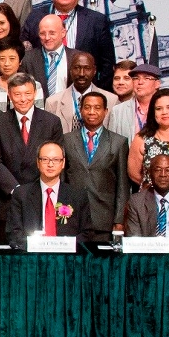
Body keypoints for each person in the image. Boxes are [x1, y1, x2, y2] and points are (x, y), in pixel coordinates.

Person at [0, 73, 65, 244]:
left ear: (35, 93)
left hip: (42, 198)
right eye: (17, 94)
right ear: (9, 95)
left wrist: (36, 190)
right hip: (7, 199)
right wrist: (16, 190)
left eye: (28, 93)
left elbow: (57, 160)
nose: (23, 99)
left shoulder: (51, 122)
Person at [21, 0, 116, 89]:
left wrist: (94, 94)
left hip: (84, 96)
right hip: (42, 93)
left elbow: (107, 65)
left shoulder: (96, 21)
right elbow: (24, 55)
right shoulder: (35, 18)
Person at [62, 92, 129, 242]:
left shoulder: (119, 142)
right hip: (72, 217)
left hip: (104, 220)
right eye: (87, 107)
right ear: (81, 110)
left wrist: (119, 221)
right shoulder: (66, 140)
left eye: (97, 108)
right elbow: (62, 179)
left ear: (106, 111)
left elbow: (123, 187)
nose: (92, 112)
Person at [6, 142, 88, 248]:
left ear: (63, 163)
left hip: (67, 258)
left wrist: (63, 246)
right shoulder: (21, 194)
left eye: (56, 160)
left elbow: (86, 233)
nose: (50, 164)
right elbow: (14, 232)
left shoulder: (78, 195)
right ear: (38, 162)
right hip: (31, 257)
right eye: (45, 159)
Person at [44, 52, 117, 134]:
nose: (81, 73)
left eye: (87, 68)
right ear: (70, 70)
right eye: (77, 68)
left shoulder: (112, 101)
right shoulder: (53, 102)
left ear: (94, 71)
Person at [22, 14, 77, 99]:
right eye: (42, 33)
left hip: (68, 110)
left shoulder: (76, 57)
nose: (47, 38)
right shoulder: (28, 59)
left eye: (52, 33)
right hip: (39, 110)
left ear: (63, 33)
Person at [0, 41, 45, 113]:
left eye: (12, 59)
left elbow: (39, 116)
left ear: (20, 61)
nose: (7, 63)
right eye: (2, 59)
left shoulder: (35, 86)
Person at [105, 63, 162, 142]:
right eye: (136, 78)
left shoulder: (167, 108)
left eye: (146, 78)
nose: (140, 82)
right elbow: (112, 144)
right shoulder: (118, 111)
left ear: (157, 84)